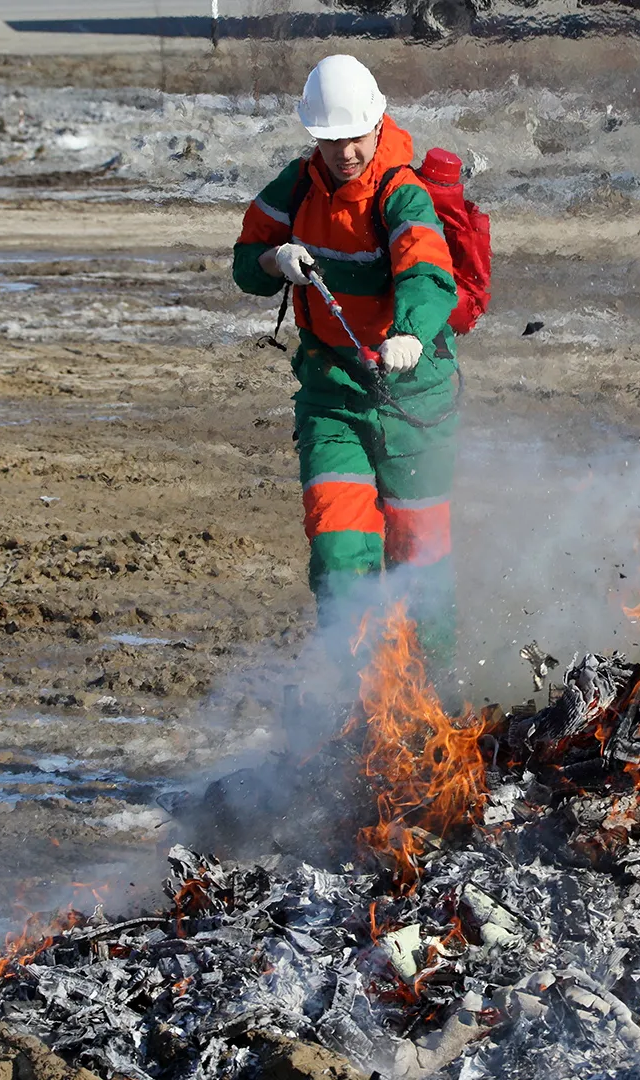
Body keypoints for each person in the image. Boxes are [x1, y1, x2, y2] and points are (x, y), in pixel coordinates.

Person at [233, 55, 463, 678]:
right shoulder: (297, 186)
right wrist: (273, 262)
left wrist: (409, 334)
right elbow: (244, 259)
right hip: (331, 392)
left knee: (421, 566)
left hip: (412, 396)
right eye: (331, 141)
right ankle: (351, 699)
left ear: (377, 123)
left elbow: (428, 271)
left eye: (355, 138)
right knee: (339, 554)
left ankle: (437, 698)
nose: (345, 153)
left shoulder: (400, 190)